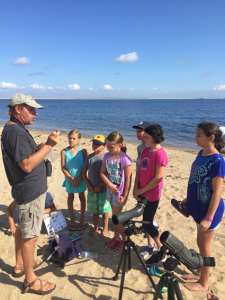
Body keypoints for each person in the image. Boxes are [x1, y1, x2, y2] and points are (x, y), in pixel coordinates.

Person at [1, 93, 59, 294]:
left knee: (23, 229)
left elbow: (25, 158)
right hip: (29, 191)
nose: (36, 113)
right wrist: (50, 145)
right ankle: (30, 280)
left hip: (25, 189)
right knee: (30, 236)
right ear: (18, 109)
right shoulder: (15, 132)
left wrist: (40, 148)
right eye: (31, 109)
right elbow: (26, 165)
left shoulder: (14, 129)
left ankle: (20, 264)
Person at [180, 122, 225, 292]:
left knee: (204, 245)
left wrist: (208, 218)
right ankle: (200, 272)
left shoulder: (218, 161)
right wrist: (188, 199)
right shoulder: (201, 153)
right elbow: (197, 180)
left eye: (199, 135)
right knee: (200, 243)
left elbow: (217, 192)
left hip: (210, 210)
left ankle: (203, 283)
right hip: (198, 204)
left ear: (211, 138)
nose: (195, 138)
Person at [133, 123, 168, 259]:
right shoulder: (145, 151)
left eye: (146, 137)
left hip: (152, 195)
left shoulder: (161, 154)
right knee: (145, 221)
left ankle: (161, 248)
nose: (144, 139)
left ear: (154, 138)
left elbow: (158, 178)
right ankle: (150, 245)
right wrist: (136, 188)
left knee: (148, 222)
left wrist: (142, 189)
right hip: (141, 192)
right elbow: (139, 171)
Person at [100, 132, 132, 252]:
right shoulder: (107, 156)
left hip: (120, 193)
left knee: (117, 218)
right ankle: (116, 237)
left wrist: (125, 195)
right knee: (114, 216)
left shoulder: (125, 159)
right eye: (107, 146)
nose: (108, 149)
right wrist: (110, 184)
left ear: (119, 145)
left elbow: (129, 178)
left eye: (111, 147)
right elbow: (102, 173)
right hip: (110, 190)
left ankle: (125, 239)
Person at [82, 135, 111, 238]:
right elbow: (83, 173)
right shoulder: (89, 157)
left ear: (104, 145)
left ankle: (106, 228)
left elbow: (109, 175)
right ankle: (96, 227)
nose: (95, 145)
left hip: (103, 190)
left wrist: (100, 185)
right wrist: (89, 185)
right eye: (94, 143)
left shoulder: (107, 157)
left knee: (104, 210)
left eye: (98, 144)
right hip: (92, 190)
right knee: (94, 210)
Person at [132, 121, 159, 229]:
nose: (138, 134)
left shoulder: (150, 148)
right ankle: (148, 223)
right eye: (137, 131)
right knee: (142, 204)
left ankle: (153, 224)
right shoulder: (140, 148)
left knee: (148, 206)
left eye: (141, 131)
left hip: (149, 182)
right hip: (140, 180)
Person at [61, 129, 87, 231]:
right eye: (70, 138)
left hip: (81, 178)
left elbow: (85, 167)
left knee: (82, 197)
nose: (71, 140)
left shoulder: (83, 151)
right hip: (69, 179)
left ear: (79, 139)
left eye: (74, 138)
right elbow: (63, 167)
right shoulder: (64, 151)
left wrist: (79, 178)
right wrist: (72, 180)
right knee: (70, 197)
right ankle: (72, 220)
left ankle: (81, 219)